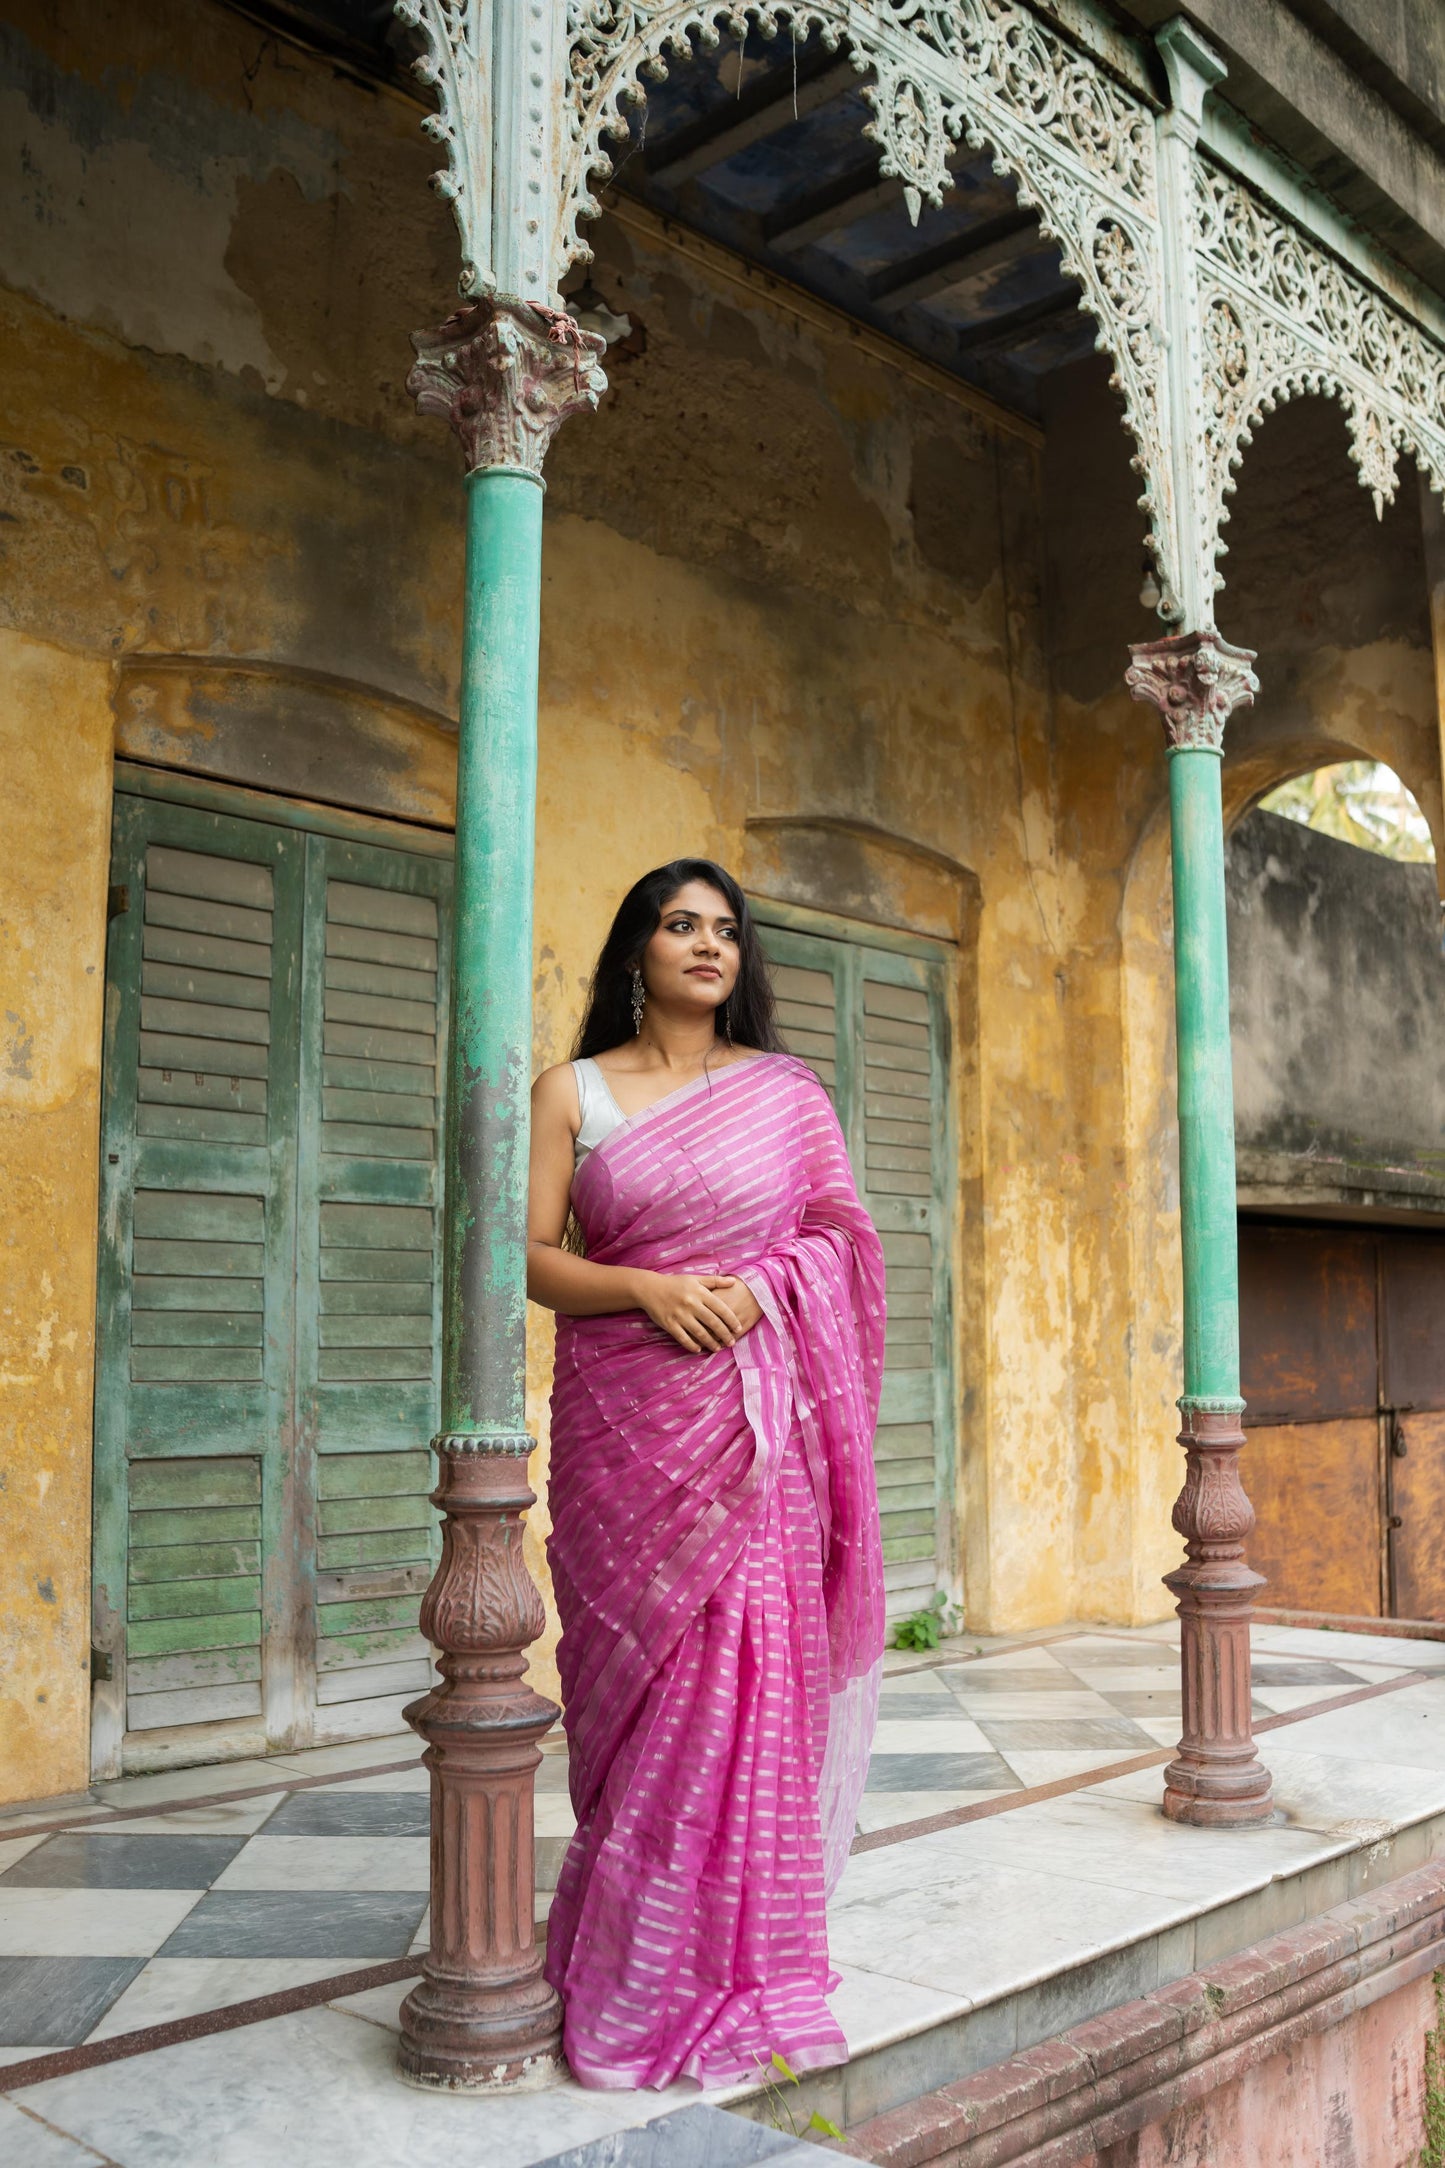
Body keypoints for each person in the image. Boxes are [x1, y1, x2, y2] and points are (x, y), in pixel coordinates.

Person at [527, 858, 887, 2091]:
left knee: (742, 1687)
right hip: (623, 1432)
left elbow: (838, 1236)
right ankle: (626, 1968)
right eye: (680, 925)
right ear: (637, 947)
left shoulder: (785, 1094)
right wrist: (646, 1287)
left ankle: (732, 1962)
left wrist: (758, 1288)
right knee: (640, 1695)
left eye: (724, 930)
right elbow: (530, 1256)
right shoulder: (571, 1091)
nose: (705, 945)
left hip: (754, 1430)